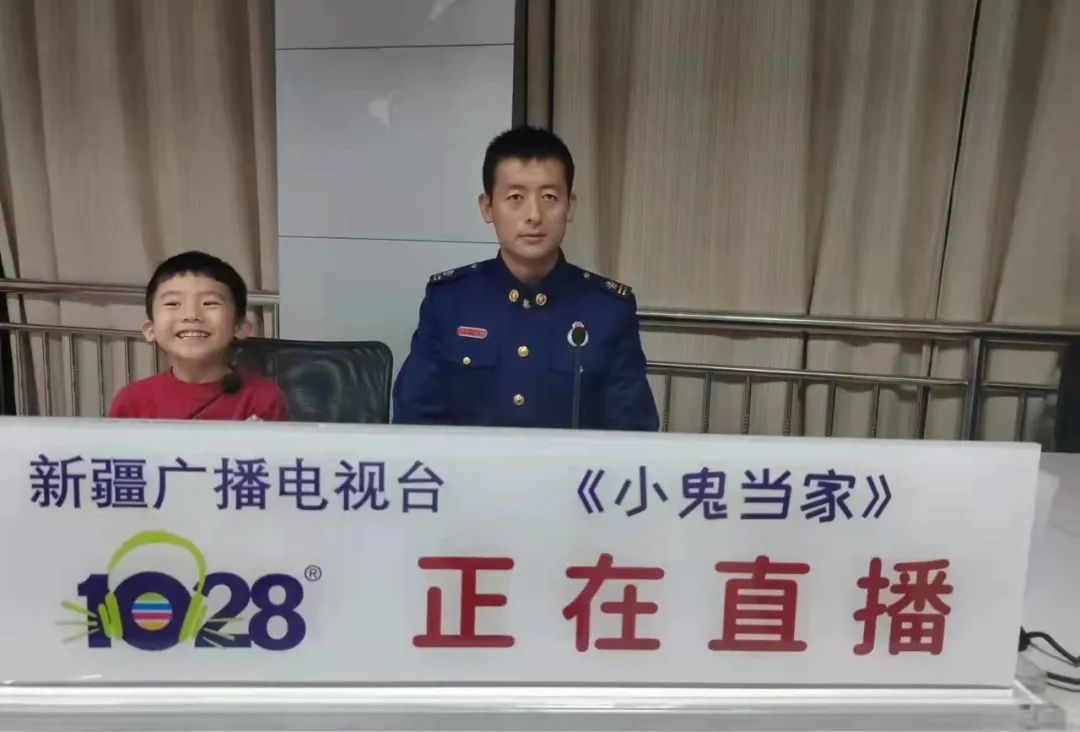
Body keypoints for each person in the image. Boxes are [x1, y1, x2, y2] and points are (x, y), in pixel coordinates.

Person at [393, 126, 659, 430]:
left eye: (549, 197)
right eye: (516, 197)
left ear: (569, 206)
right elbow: (413, 420)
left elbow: (633, 433)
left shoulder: (608, 310)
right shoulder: (449, 302)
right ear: (488, 207)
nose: (534, 215)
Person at [109, 251, 288, 421]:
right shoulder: (131, 401)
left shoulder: (262, 398)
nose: (191, 315)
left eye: (209, 303)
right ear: (150, 329)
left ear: (240, 327)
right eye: (173, 304)